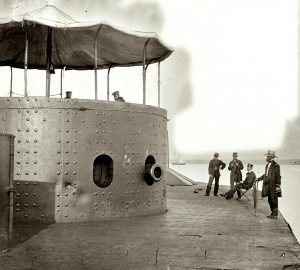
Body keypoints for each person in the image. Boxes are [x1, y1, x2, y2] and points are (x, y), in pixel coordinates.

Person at [257, 150, 281, 219]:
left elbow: (278, 176)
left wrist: (277, 185)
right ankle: (272, 213)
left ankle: (275, 214)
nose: (266, 157)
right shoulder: (267, 164)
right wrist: (259, 178)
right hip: (267, 185)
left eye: (268, 156)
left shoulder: (276, 165)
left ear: (271, 157)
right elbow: (266, 174)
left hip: (273, 185)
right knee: (269, 199)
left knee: (273, 199)